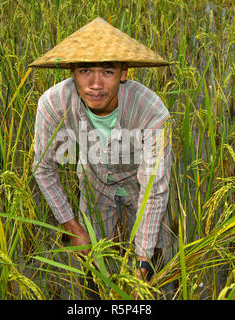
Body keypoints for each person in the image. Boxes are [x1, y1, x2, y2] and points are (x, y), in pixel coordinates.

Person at [29, 17, 171, 282]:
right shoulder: (52, 104)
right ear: (72, 71)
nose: (95, 84)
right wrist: (72, 227)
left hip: (138, 184)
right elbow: (43, 168)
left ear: (124, 72)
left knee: (153, 256)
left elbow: (154, 188)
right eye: (85, 71)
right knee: (92, 264)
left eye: (107, 71)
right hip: (94, 182)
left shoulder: (150, 110)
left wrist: (143, 261)